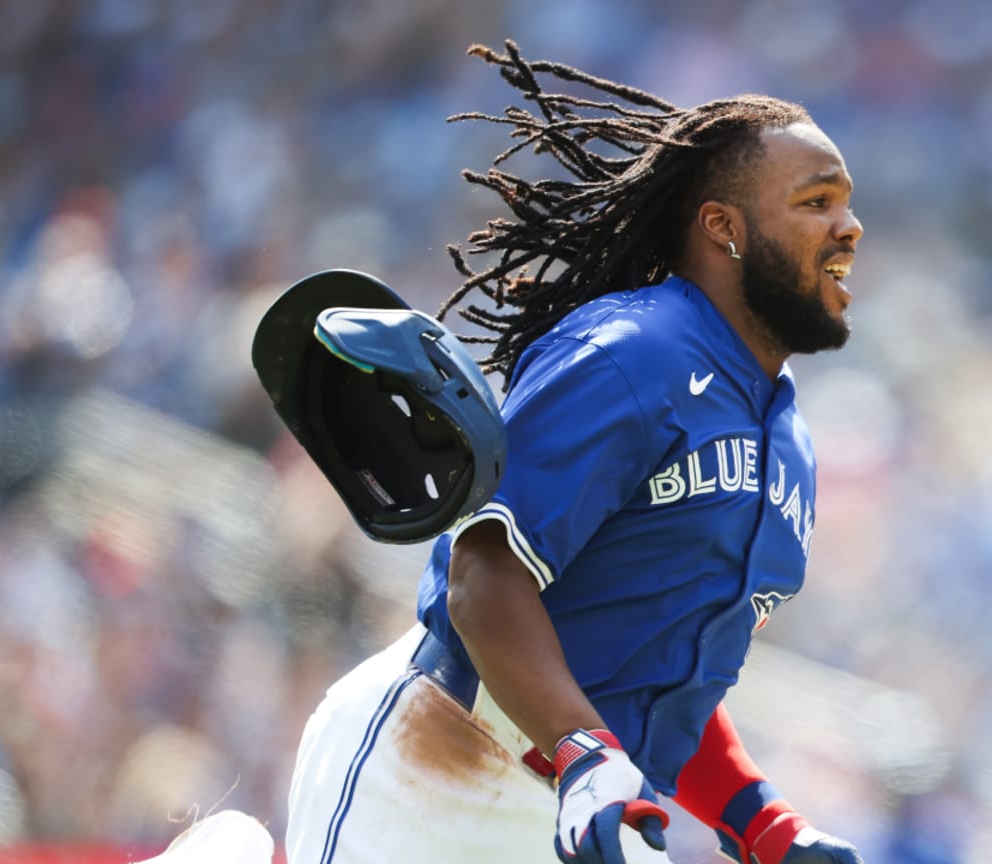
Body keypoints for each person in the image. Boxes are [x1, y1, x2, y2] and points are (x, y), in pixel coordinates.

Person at [284, 41, 866, 864]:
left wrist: (762, 822)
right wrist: (584, 750)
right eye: (816, 201)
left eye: (846, 202)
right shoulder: (631, 351)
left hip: (592, 804)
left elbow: (662, 669)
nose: (850, 225)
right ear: (724, 228)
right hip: (437, 764)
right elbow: (482, 578)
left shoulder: (791, 438)